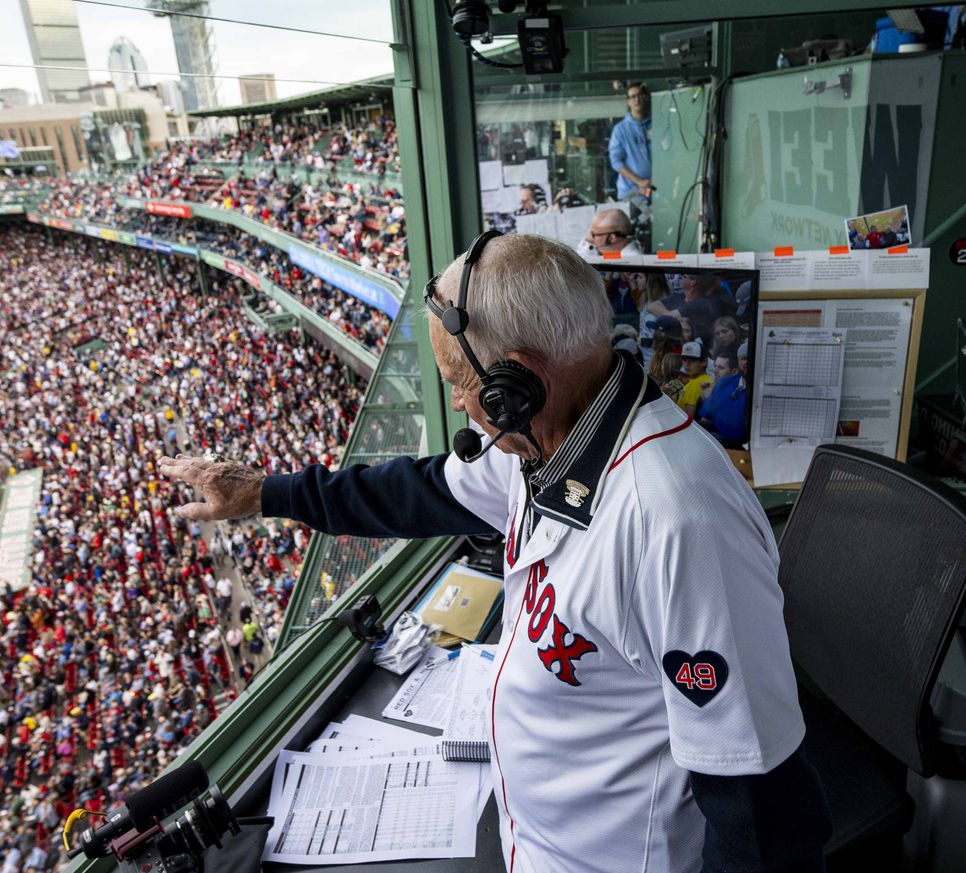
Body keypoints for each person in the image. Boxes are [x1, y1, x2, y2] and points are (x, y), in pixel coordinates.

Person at [161, 232, 829, 873]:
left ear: (521, 380)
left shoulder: (680, 520)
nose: (457, 402)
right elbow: (422, 492)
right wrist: (266, 494)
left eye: (458, 378)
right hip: (530, 836)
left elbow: (760, 807)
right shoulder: (541, 438)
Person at [609, 82, 653, 202]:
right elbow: (616, 162)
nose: (636, 99)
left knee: (658, 219)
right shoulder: (620, 129)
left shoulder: (656, 123)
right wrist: (640, 181)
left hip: (655, 190)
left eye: (639, 95)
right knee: (639, 219)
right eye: (632, 97)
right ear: (628, 102)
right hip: (630, 193)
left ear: (645, 97)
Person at [698, 349, 749, 445]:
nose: (747, 362)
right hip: (720, 445)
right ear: (739, 361)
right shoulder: (723, 384)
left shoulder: (762, 392)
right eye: (744, 358)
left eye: (721, 368)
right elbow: (706, 419)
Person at [576, 208, 642, 257]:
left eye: (593, 235)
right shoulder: (619, 254)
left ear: (611, 238)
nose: (591, 239)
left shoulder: (631, 259)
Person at [677, 339, 712, 415]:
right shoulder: (704, 379)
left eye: (692, 360)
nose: (687, 364)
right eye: (684, 360)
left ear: (704, 362)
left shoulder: (697, 384)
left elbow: (688, 418)